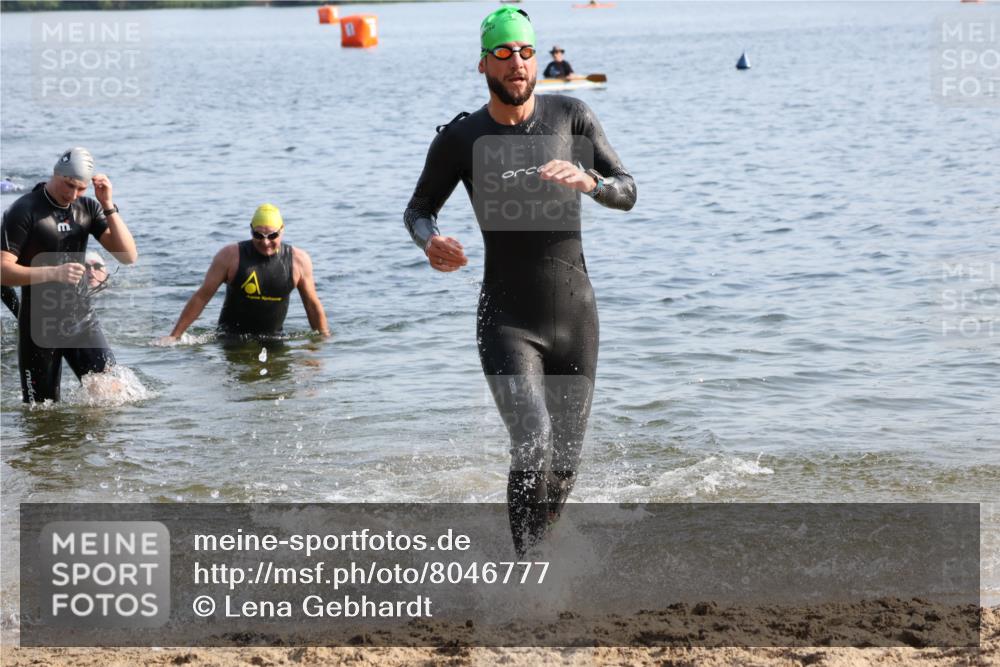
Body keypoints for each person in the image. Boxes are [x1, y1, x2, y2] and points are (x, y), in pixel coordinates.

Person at [403, 7, 636, 556]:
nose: (518, 64)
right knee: (532, 441)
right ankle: (526, 578)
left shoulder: (572, 116)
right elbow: (417, 210)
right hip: (507, 319)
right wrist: (429, 242)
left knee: (563, 465)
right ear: (484, 63)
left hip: (575, 315)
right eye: (504, 54)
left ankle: (542, 554)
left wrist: (591, 182)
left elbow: (627, 189)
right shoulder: (461, 138)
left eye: (526, 52)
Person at [0, 147, 138, 404]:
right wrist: (54, 272)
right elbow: (3, 271)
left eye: (81, 188)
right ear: (56, 173)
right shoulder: (24, 210)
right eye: (69, 185)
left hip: (82, 320)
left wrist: (108, 205)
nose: (73, 195)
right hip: (38, 327)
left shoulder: (87, 208)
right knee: (41, 414)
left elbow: (128, 256)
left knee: (112, 395)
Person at [162, 203, 329, 342]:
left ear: (282, 230)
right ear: (251, 230)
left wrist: (324, 339)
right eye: (258, 235)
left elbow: (312, 304)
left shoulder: (298, 260)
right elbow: (201, 297)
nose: (265, 242)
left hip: (274, 340)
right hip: (230, 338)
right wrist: (174, 336)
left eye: (272, 236)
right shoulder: (229, 256)